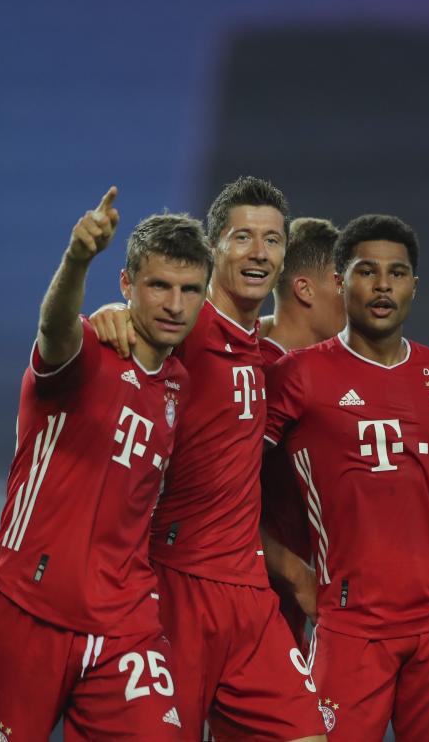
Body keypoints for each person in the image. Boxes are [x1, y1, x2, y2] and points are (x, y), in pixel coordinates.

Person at [265, 214, 429, 741]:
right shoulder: (296, 376)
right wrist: (287, 567)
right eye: (367, 271)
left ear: (414, 285)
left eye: (397, 272)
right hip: (351, 626)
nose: (383, 284)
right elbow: (226, 482)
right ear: (341, 284)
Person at [0, 188, 214, 740]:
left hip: (124, 624)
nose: (175, 304)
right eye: (159, 286)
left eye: (189, 289)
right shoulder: (86, 353)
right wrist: (77, 260)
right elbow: (54, 330)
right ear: (127, 285)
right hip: (27, 607)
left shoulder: (179, 385)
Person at [90, 178, 326, 742]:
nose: (257, 252)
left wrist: (291, 570)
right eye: (241, 237)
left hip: (248, 591)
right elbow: (133, 321)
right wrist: (109, 315)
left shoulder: (263, 351)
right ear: (213, 247)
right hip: (173, 584)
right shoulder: (182, 330)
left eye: (271, 240)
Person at [258, 217, 346, 648]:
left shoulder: (336, 372)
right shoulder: (246, 364)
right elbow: (206, 496)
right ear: (305, 289)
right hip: (234, 594)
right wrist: (294, 571)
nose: (355, 295)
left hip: (290, 601)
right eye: (341, 282)